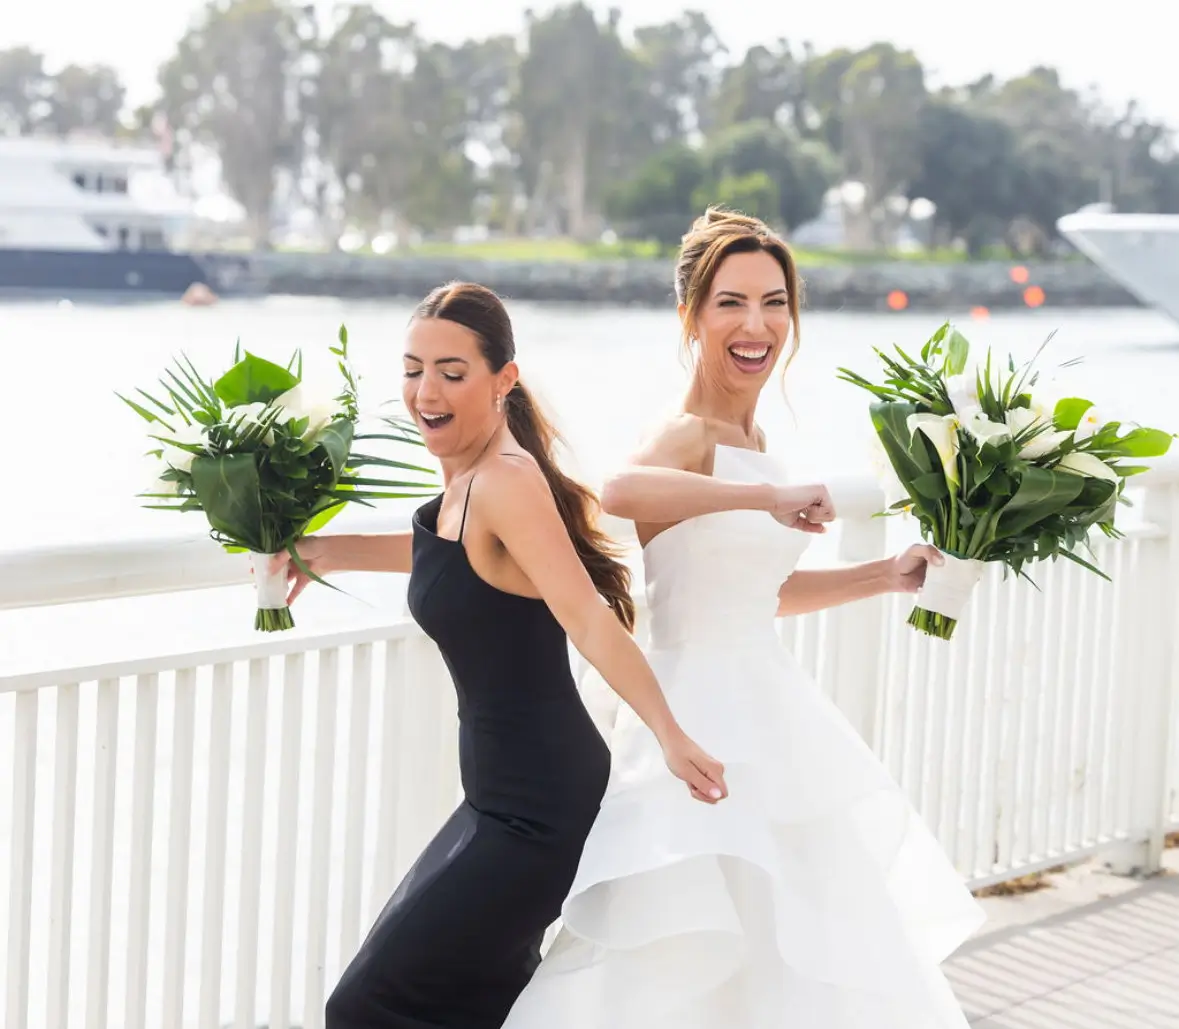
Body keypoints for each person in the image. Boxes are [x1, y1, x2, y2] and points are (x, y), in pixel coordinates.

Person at [501, 209, 986, 1029]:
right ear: (690, 316)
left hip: (770, 712)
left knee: (794, 946)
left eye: (773, 301)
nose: (755, 324)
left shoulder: (750, 432)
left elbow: (754, 595)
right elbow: (619, 492)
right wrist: (763, 495)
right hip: (697, 718)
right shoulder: (685, 431)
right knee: (684, 948)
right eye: (730, 302)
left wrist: (883, 574)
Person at [271, 281, 728, 1029]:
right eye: (414, 368)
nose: (427, 390)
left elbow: (585, 614)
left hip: (539, 806)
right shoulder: (470, 480)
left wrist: (669, 734)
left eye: (453, 372)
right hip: (498, 796)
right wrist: (325, 550)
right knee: (476, 1002)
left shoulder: (506, 480)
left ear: (502, 379)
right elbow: (450, 556)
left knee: (367, 1004)